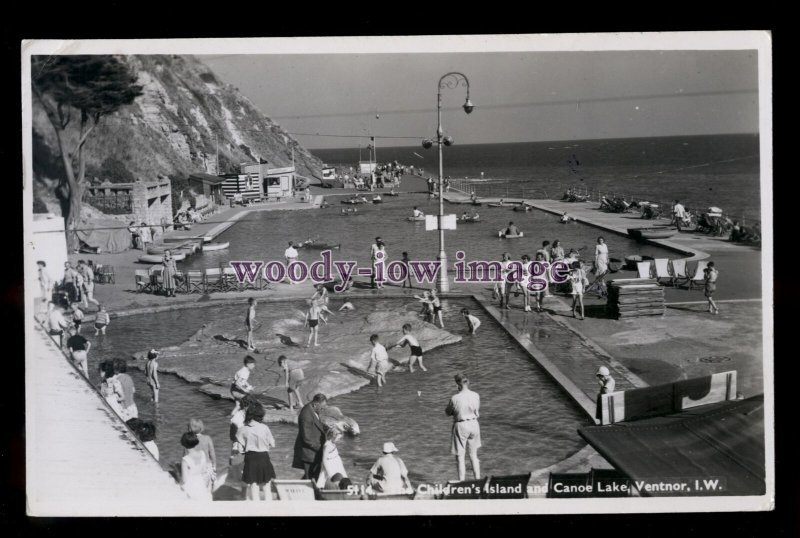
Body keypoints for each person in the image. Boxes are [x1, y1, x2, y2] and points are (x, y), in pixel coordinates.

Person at [237, 403, 277, 501]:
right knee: (266, 485)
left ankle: (256, 509)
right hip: (264, 457)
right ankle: (269, 508)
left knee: (253, 485)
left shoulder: (242, 430)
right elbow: (273, 444)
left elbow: (240, 449)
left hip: (250, 458)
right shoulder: (264, 428)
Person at [445, 374, 481, 482]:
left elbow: (448, 412)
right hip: (474, 424)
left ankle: (462, 482)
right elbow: (476, 410)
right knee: (473, 455)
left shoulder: (455, 398)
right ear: (467, 383)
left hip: (461, 425)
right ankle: (478, 480)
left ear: (457, 385)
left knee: (460, 457)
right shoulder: (476, 395)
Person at [292, 394, 328, 480]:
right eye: (322, 407)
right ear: (315, 404)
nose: (323, 409)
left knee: (312, 476)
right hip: (309, 453)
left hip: (313, 452)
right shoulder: (306, 415)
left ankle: (300, 489)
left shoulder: (313, 410)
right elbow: (306, 438)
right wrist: (322, 448)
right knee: (310, 477)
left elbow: (316, 426)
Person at [180, 431, 214, 501]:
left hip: (191, 485)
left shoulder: (185, 460)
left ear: (183, 444)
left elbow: (184, 480)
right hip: (200, 482)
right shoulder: (202, 453)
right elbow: (204, 470)